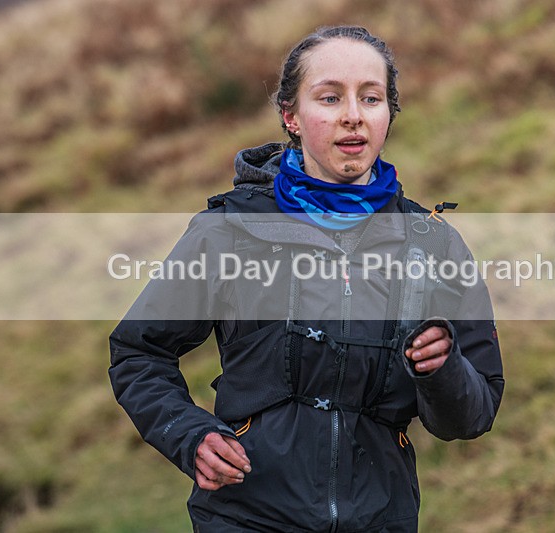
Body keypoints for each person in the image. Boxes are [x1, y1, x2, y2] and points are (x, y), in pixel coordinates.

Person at [109, 25, 504, 532]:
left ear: (389, 114)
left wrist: (442, 368)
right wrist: (189, 436)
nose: (353, 115)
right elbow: (139, 351)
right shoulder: (228, 231)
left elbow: (472, 417)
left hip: (383, 520)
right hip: (246, 518)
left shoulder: (433, 245)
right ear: (291, 116)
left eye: (371, 98)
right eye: (330, 97)